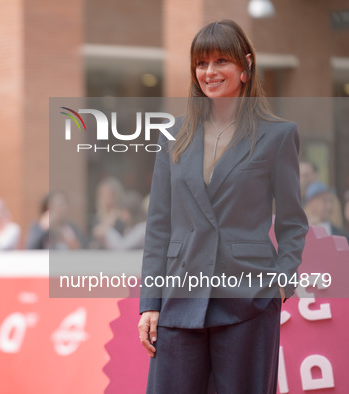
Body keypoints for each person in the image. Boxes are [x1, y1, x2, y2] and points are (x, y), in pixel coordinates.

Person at [137, 20, 308, 394]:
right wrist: (150, 303)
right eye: (201, 64)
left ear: (245, 66)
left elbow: (293, 222)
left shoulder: (277, 136)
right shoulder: (173, 137)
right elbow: (158, 227)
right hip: (179, 299)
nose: (209, 73)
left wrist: (281, 282)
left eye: (220, 62)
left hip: (249, 300)